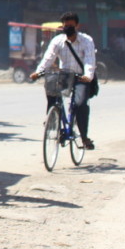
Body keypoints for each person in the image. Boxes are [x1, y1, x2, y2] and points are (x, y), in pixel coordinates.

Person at [29, 12, 96, 150]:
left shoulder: (86, 40)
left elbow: (90, 60)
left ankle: (84, 137)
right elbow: (48, 58)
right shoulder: (57, 40)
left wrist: (88, 75)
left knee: (80, 103)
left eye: (71, 25)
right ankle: (53, 118)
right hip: (64, 75)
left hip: (80, 77)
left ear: (77, 25)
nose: (68, 28)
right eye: (66, 26)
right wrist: (38, 71)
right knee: (51, 90)